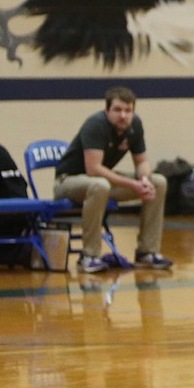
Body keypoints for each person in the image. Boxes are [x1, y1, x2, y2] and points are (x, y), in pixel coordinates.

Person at [54, 86, 173, 273]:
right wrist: (132, 184)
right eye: (118, 110)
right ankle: (89, 255)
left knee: (158, 182)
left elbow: (142, 161)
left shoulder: (135, 126)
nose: (123, 116)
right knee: (99, 185)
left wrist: (144, 180)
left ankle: (147, 252)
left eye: (128, 111)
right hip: (69, 181)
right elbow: (93, 169)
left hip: (100, 182)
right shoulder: (95, 124)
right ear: (107, 110)